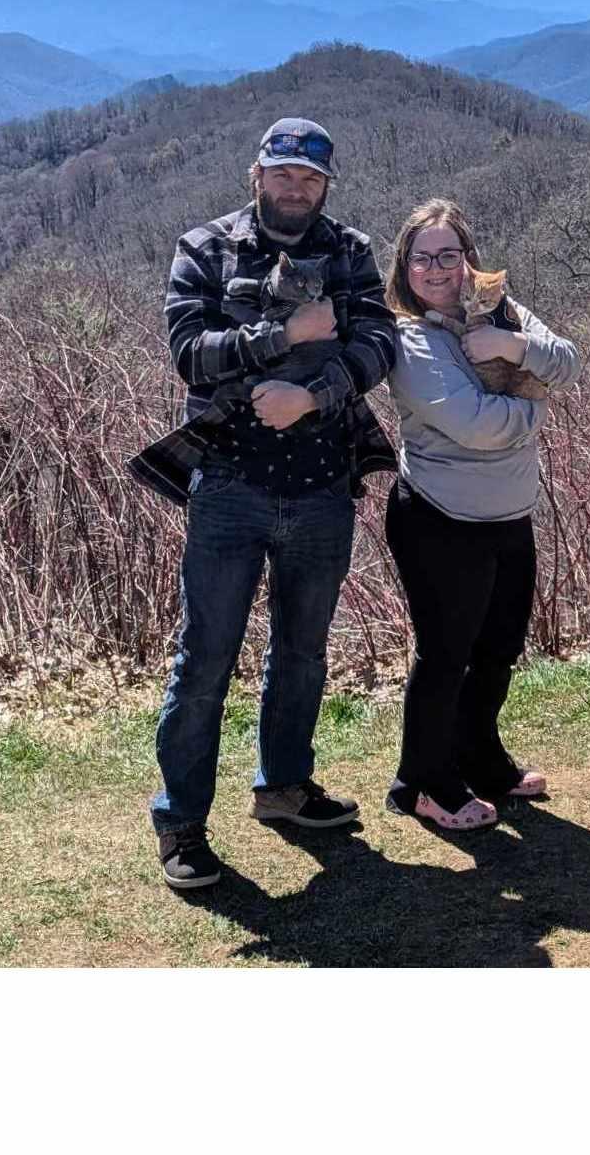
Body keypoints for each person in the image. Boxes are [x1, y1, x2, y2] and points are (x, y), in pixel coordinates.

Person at [149, 117, 398, 889]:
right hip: (227, 482)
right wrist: (283, 331)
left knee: (301, 652)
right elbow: (189, 352)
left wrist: (310, 393)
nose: (295, 188)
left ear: (325, 184)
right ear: (255, 174)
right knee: (204, 660)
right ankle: (182, 825)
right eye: (282, 173)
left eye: (309, 178)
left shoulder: (350, 250)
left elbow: (378, 345)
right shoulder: (206, 248)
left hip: (322, 481)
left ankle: (283, 788)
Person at [382, 198, 582, 830]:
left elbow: (567, 361)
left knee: (498, 649)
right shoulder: (409, 339)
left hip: (509, 512)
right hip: (440, 516)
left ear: (468, 259)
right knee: (446, 655)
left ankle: (481, 760)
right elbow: (477, 427)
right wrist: (536, 410)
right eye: (423, 258)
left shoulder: (502, 311)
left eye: (449, 254)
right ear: (405, 267)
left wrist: (509, 343)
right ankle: (422, 781)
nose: (437, 270)